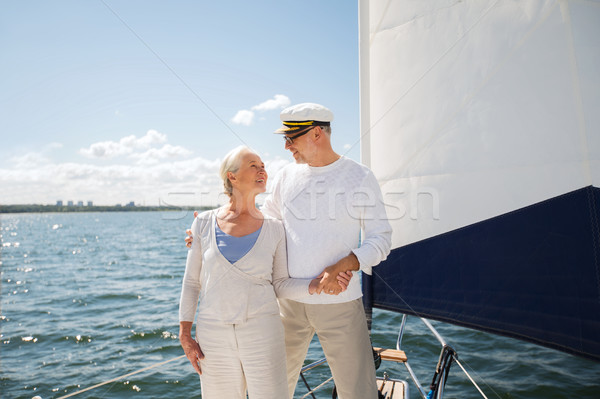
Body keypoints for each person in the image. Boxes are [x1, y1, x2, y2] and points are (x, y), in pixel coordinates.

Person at [186, 103, 392, 398]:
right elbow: (263, 224)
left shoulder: (360, 177)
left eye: (291, 138)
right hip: (286, 304)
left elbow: (381, 239)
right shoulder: (286, 176)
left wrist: (346, 263)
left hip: (340, 303)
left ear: (317, 133)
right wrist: (211, 233)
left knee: (359, 392)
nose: (285, 146)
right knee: (274, 391)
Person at [179, 145, 348, 399]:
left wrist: (314, 285)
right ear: (231, 177)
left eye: (263, 166)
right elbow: (192, 282)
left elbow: (279, 283)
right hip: (213, 337)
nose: (262, 171)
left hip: (263, 332)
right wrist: (184, 334)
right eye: (253, 166)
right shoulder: (202, 222)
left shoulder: (274, 228)